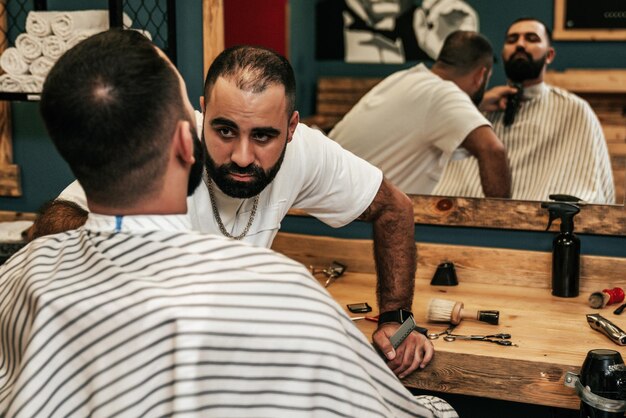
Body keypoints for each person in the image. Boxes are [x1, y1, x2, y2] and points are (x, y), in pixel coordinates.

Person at [0, 29, 458, 418]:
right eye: (221, 131)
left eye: (263, 136)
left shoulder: (18, 276)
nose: (242, 156)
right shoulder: (288, 294)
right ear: (190, 136)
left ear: (292, 128)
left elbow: (394, 207)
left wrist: (398, 319)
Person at [434, 18, 615, 204]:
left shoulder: (575, 111)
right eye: (512, 40)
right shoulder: (480, 109)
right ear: (503, 53)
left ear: (549, 55)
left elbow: (594, 187)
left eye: (531, 38)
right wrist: (475, 106)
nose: (520, 44)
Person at [330, 30, 511, 198]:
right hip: (353, 222)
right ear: (481, 76)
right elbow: (493, 150)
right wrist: (504, 225)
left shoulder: (405, 78)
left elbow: (429, 114)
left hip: (323, 206)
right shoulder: (444, 95)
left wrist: (477, 105)